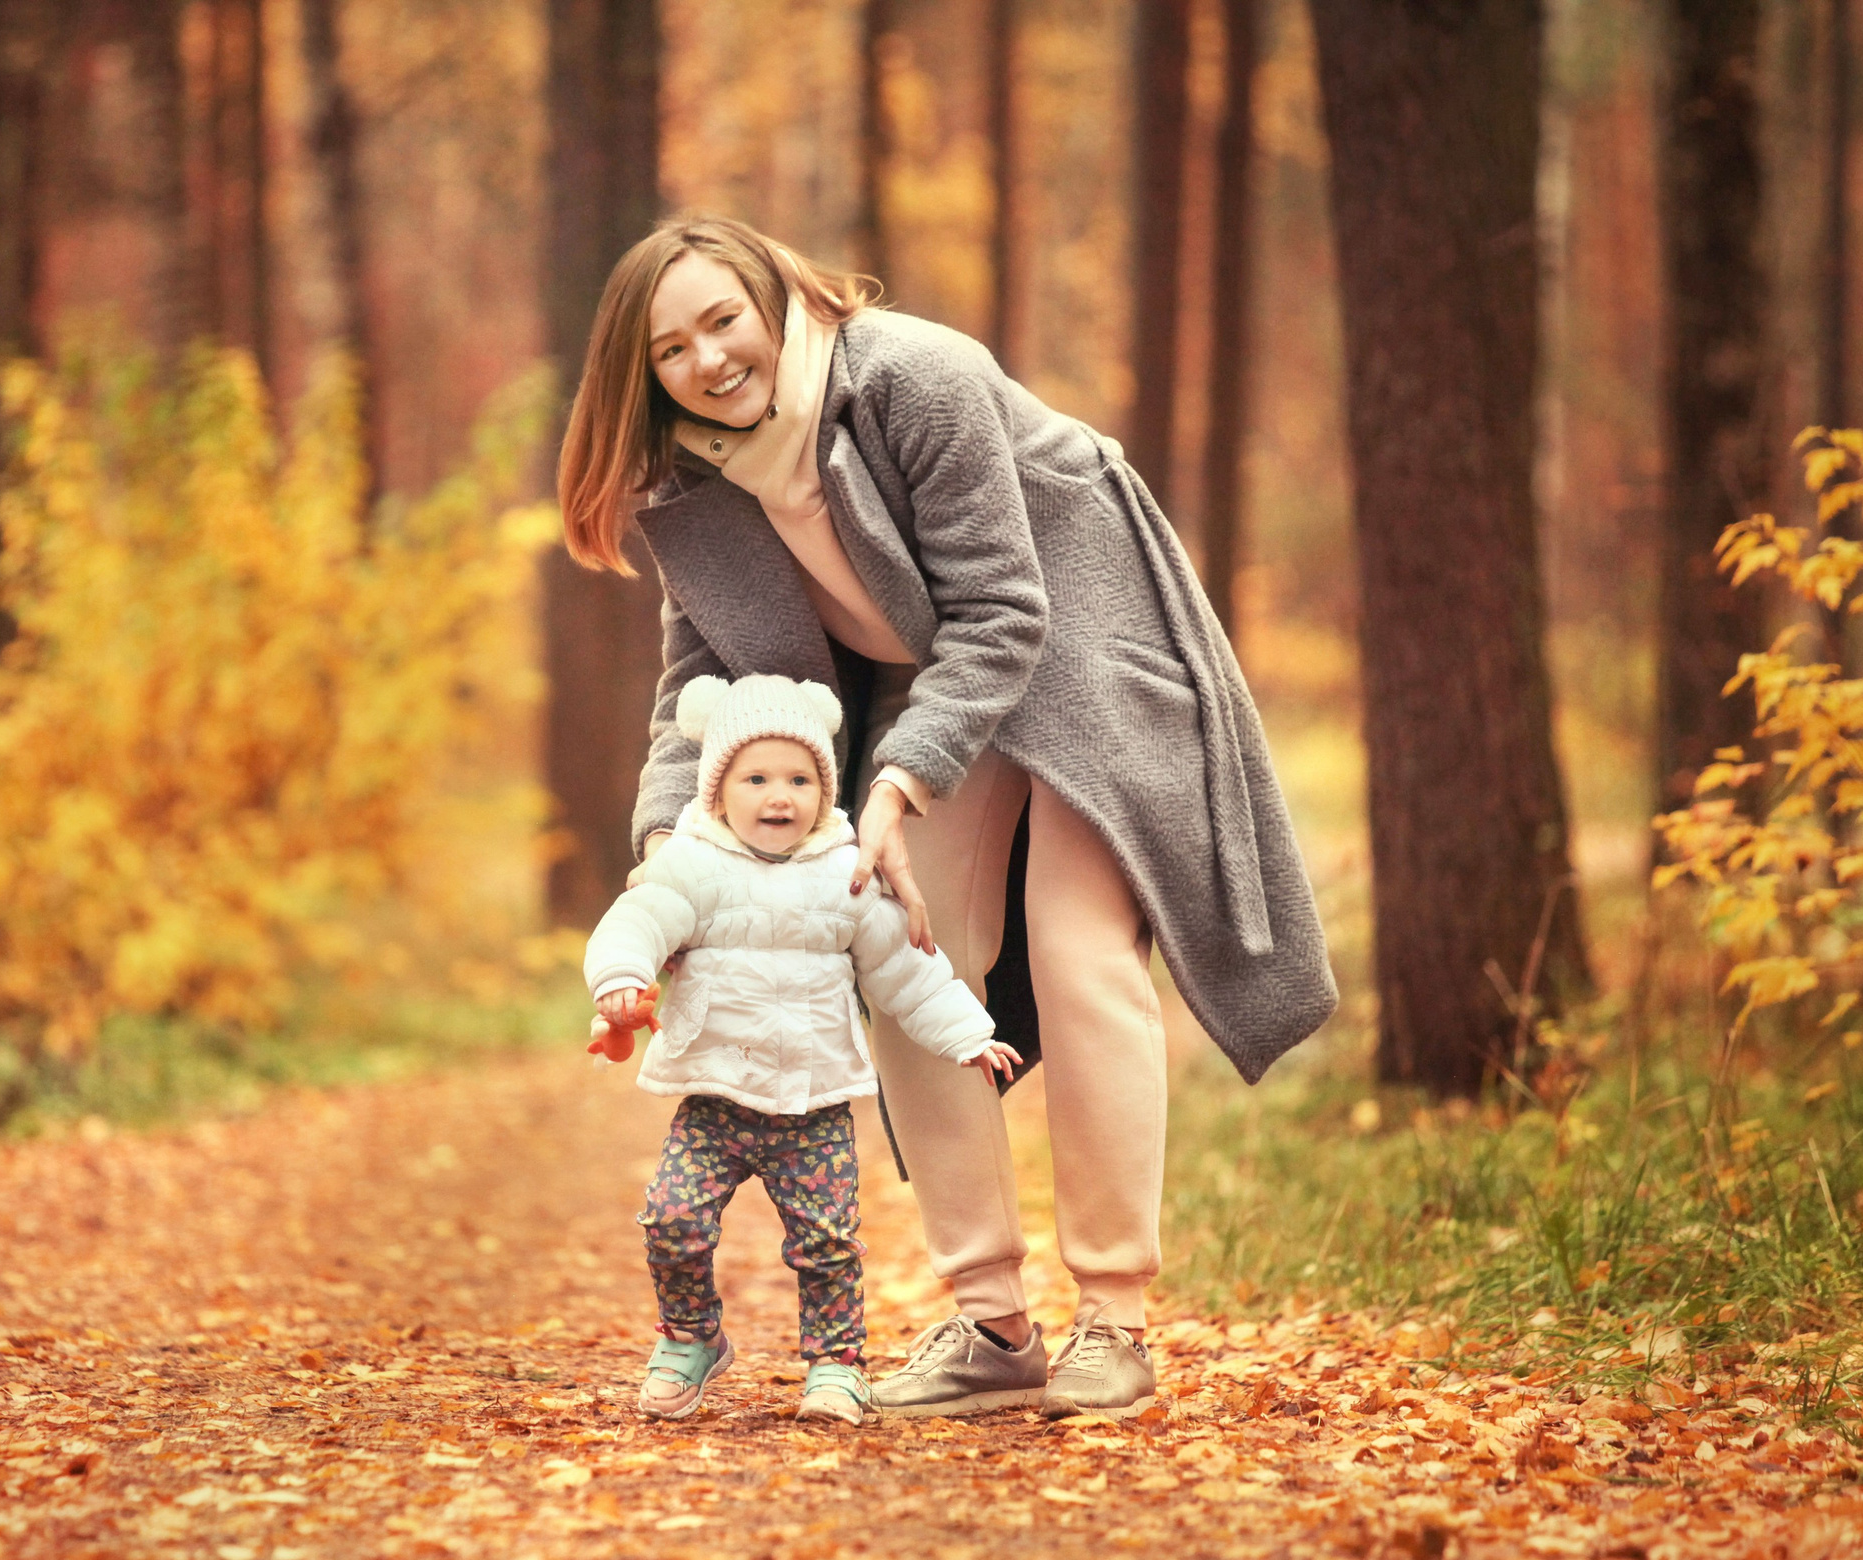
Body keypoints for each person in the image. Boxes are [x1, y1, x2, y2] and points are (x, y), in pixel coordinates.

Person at [557, 216, 1336, 1420]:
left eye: (724, 319)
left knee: (1078, 953)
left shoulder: (912, 375)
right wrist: (665, 845)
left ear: (772, 299)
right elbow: (693, 684)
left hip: (1078, 635)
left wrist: (893, 783)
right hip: (934, 676)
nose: (709, 359)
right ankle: (990, 1321)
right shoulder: (691, 484)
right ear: (642, 374)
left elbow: (1005, 606)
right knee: (893, 939)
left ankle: (1115, 1320)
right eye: (672, 348)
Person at [583, 672, 1023, 1426]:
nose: (778, 795)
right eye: (755, 778)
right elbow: (639, 919)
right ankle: (691, 1336)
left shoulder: (846, 876)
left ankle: (835, 1364)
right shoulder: (691, 865)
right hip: (714, 1097)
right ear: (719, 790)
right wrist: (622, 977)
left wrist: (969, 1034)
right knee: (672, 1219)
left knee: (826, 1245)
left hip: (813, 1107)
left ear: (824, 788)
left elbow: (906, 969)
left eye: (799, 778)